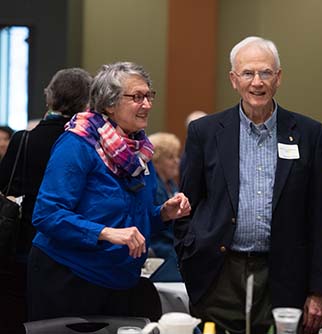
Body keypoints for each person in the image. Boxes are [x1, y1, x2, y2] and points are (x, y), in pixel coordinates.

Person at [175, 36, 322, 334]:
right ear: (234, 79)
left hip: (284, 275)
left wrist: (319, 289)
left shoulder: (308, 133)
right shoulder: (205, 132)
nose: (257, 82)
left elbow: (319, 215)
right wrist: (190, 258)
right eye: (248, 73)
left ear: (279, 77)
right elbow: (187, 205)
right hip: (219, 274)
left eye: (265, 73)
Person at [27, 62, 191, 322]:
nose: (147, 104)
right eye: (137, 97)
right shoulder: (78, 143)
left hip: (118, 282)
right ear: (109, 104)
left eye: (149, 96)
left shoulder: (138, 151)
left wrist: (163, 214)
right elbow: (47, 214)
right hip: (69, 279)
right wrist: (104, 233)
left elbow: (132, 222)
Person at [0, 68, 92, 334]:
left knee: (25, 316)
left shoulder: (25, 139)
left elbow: (6, 183)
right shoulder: (87, 141)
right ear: (87, 101)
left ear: (50, 97)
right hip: (74, 241)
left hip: (26, 240)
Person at [147, 132, 183, 282]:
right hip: (159, 249)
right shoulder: (152, 187)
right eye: (170, 157)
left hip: (174, 245)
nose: (177, 161)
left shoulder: (172, 185)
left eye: (177, 156)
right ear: (156, 161)